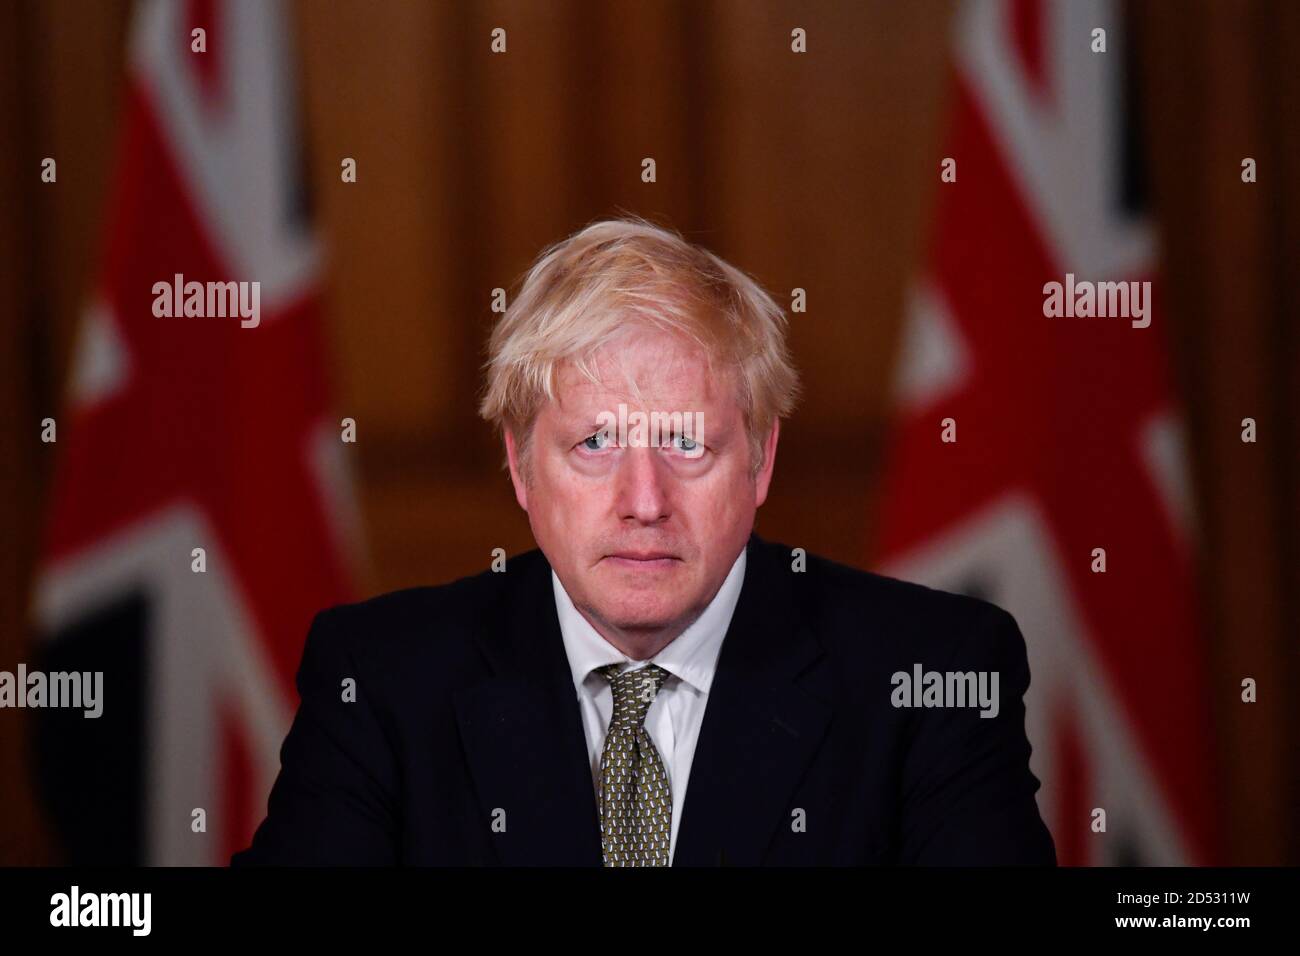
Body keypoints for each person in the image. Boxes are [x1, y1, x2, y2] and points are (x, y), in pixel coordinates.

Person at [232, 217, 1056, 866]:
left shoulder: (936, 673)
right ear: (520, 466)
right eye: (595, 445)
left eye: (687, 443)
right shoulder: (381, 682)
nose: (644, 501)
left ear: (761, 459)